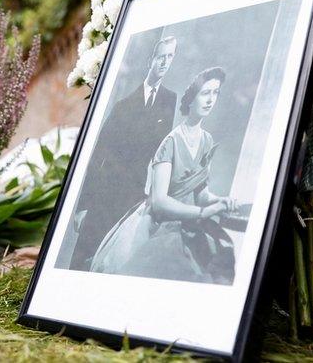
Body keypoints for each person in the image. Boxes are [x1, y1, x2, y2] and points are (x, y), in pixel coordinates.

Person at [90, 67, 237, 285]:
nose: (211, 100)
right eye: (205, 93)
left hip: (189, 222)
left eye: (215, 93)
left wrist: (218, 201)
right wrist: (203, 212)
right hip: (159, 226)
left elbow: (201, 192)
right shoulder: (171, 141)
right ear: (191, 98)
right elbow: (158, 202)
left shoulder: (206, 140)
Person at [68, 36, 179, 270]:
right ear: (151, 60)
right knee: (85, 257)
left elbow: (162, 153)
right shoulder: (124, 105)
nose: (164, 63)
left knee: (119, 261)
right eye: (161, 57)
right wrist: (83, 205)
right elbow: (97, 155)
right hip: (106, 192)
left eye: (170, 57)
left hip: (137, 195)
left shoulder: (170, 100)